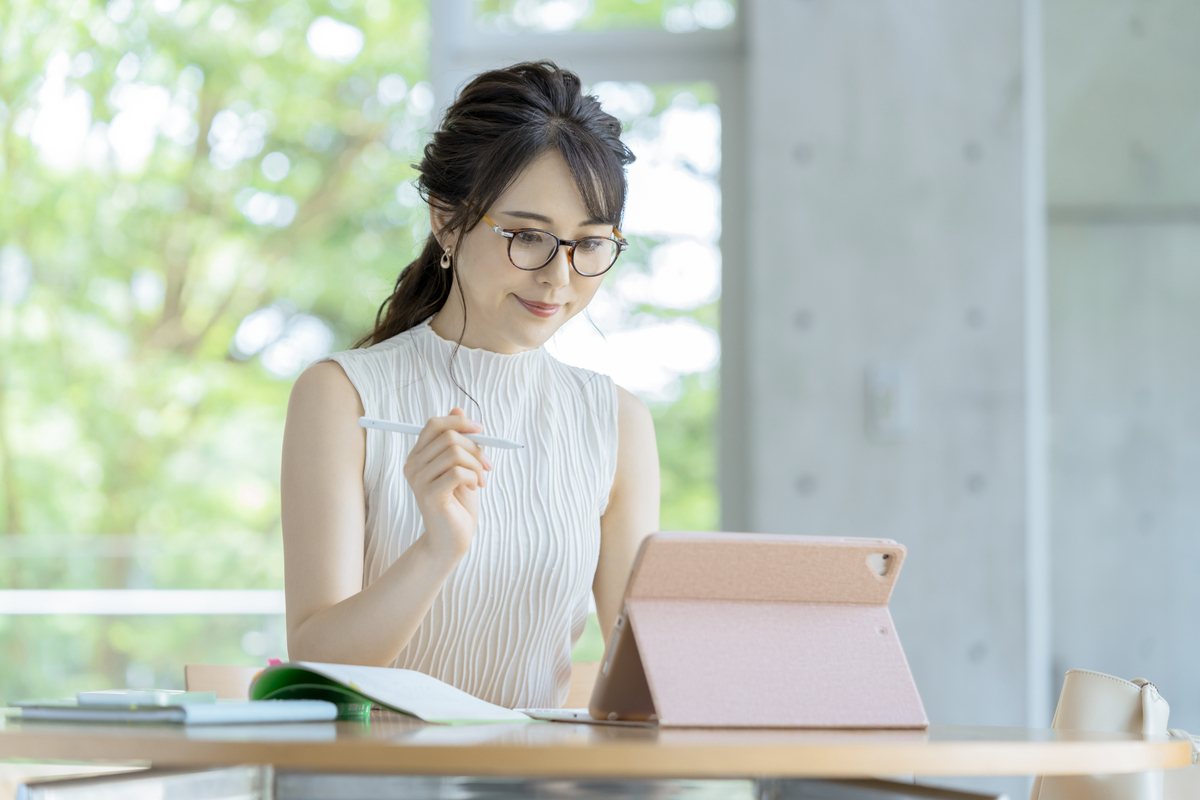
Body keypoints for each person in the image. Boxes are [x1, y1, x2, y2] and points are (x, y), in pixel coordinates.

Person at [279, 61, 661, 709]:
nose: (559, 278)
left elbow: (646, 671)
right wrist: (436, 548)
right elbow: (318, 662)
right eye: (528, 237)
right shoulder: (342, 395)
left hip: (535, 783)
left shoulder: (616, 422)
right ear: (447, 221)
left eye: (590, 245)